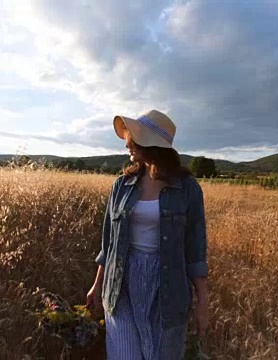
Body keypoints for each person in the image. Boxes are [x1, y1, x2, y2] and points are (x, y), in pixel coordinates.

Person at [86, 109, 209, 359]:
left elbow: (195, 249)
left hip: (167, 286)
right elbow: (109, 242)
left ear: (151, 145)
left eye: (133, 139)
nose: (127, 145)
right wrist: (97, 284)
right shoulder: (121, 186)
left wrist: (203, 301)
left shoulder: (187, 189)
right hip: (121, 281)